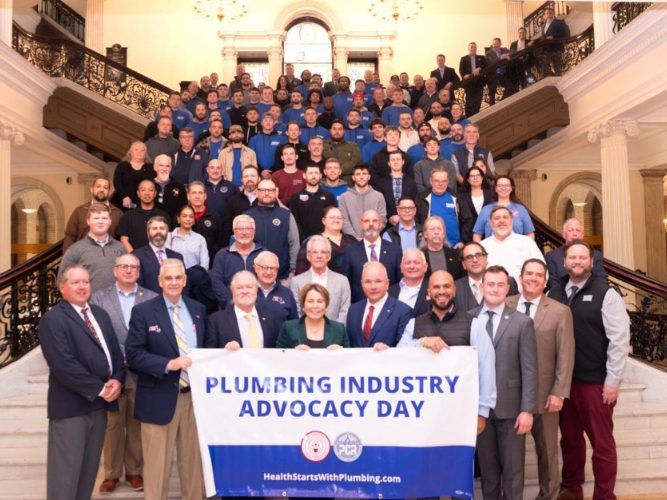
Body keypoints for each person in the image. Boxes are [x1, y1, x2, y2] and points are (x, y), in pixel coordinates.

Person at [548, 240, 630, 500]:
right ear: (564, 262)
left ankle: (604, 495)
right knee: (570, 441)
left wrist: (613, 380)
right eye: (572, 257)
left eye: (582, 257)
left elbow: (619, 340)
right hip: (564, 384)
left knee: (601, 443)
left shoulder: (607, 294)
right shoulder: (554, 292)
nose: (577, 261)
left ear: (592, 262)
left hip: (595, 382)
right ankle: (572, 488)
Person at [40, 264, 125, 500]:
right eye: (75, 282)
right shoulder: (53, 319)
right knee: (65, 478)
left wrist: (117, 380)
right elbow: (63, 365)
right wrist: (100, 389)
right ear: (62, 288)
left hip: (99, 408)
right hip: (71, 409)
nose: (82, 286)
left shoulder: (100, 314)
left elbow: (115, 354)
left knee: (87, 474)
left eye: (85, 282)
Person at [126, 259, 206, 500]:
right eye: (168, 278)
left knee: (193, 466)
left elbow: (207, 349)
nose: (173, 282)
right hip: (157, 398)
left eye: (178, 277)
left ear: (185, 280)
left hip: (193, 399)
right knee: (156, 468)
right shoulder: (143, 311)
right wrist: (167, 364)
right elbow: (133, 354)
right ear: (160, 281)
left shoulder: (198, 310)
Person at [506, 259, 575, 500]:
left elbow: (565, 355)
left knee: (547, 453)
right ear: (520, 277)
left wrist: (559, 392)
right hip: (510, 394)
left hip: (546, 395)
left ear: (545, 281)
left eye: (538, 275)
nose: (533, 278)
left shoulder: (560, 311)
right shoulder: (505, 304)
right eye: (529, 273)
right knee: (510, 455)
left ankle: (549, 495)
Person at [91, 254, 158, 494]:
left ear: (139, 272)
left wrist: (137, 355)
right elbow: (96, 333)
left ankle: (133, 471)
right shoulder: (99, 298)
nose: (128, 270)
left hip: (142, 372)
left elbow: (156, 334)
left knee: (137, 423)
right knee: (113, 425)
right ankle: (111, 474)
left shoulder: (152, 298)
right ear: (115, 270)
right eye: (123, 266)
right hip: (111, 372)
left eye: (133, 267)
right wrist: (122, 355)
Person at [474, 265, 538, 500]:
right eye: (490, 284)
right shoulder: (469, 319)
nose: (495, 289)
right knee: (488, 474)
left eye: (500, 285)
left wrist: (527, 410)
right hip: (479, 411)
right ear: (482, 287)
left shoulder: (522, 322)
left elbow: (530, 369)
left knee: (513, 473)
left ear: (508, 288)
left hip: (511, 409)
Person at [411, 270, 497, 435]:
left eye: (446, 286)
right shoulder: (413, 324)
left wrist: (482, 412)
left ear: (454, 290)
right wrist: (421, 342)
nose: (442, 291)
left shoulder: (474, 324)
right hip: (422, 413)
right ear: (428, 292)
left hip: (462, 410)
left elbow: (486, 368)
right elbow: (400, 356)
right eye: (436, 287)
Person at [205, 270, 283, 351]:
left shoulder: (271, 318)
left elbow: (279, 350)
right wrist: (224, 351)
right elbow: (209, 354)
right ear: (232, 291)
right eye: (239, 288)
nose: (245, 291)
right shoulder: (216, 321)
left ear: (256, 290)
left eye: (249, 287)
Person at [61, 203, 126, 293]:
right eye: (96, 218)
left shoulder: (120, 248)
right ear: (88, 221)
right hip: (87, 301)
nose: (100, 221)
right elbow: (62, 281)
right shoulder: (75, 250)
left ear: (110, 221)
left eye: (104, 218)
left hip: (116, 301)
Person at [346, 262, 412, 348]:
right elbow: (348, 344)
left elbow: (405, 349)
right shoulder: (353, 310)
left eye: (378, 281)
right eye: (368, 282)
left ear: (387, 283)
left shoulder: (403, 311)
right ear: (362, 284)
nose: (373, 287)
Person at [342, 209, 402, 303]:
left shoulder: (395, 250)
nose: (371, 224)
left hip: (389, 306)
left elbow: (400, 282)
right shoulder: (351, 252)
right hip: (360, 307)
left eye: (374, 221)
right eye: (366, 221)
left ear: (380, 224)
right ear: (361, 224)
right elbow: (346, 285)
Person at [246, 178, 300, 281]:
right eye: (263, 190)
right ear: (257, 192)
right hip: (253, 276)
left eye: (270, 190)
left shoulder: (286, 215)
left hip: (282, 276)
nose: (266, 193)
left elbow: (294, 244)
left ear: (276, 192)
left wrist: (293, 271)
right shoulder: (247, 216)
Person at [290, 235, 351, 323]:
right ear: (308, 256)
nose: (319, 256)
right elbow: (297, 312)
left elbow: (345, 311)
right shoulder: (296, 282)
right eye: (315, 252)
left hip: (335, 330)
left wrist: (335, 330)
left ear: (329, 256)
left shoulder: (342, 281)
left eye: (323, 252)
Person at [211, 214, 264, 309]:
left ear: (254, 231)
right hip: (230, 307)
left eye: (248, 229)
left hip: (259, 307)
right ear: (234, 231)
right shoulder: (222, 255)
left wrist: (256, 304)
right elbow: (217, 283)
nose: (244, 232)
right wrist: (232, 303)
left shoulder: (264, 254)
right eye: (240, 229)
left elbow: (268, 283)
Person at [481, 206, 545, 285]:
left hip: (522, 293)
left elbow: (542, 271)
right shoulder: (482, 246)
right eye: (497, 218)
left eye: (505, 217)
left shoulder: (527, 243)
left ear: (511, 221)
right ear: (491, 223)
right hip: (490, 292)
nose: (501, 221)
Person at [277, 283, 349, 349]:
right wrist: (294, 353)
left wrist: (341, 353)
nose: (315, 306)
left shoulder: (339, 329)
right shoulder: (288, 328)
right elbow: (279, 355)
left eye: (320, 301)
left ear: (326, 306)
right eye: (310, 301)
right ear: (303, 306)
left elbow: (348, 356)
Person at [455, 241, 519, 313]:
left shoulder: (508, 282)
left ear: (486, 258)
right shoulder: (455, 288)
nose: (475, 260)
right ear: (463, 264)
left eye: (478, 255)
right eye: (469, 257)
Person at [416, 168, 473, 248]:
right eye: (437, 181)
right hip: (430, 247)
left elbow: (468, 220)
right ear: (431, 181)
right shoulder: (421, 199)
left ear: (448, 182)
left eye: (444, 181)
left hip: (455, 246)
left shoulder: (457, 197)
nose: (440, 184)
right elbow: (417, 223)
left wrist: (463, 241)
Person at [63, 176, 123, 251]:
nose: (101, 190)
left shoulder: (118, 213)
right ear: (91, 190)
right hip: (82, 255)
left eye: (105, 188)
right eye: (98, 186)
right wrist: (68, 256)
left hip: (109, 255)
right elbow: (70, 236)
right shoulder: (79, 211)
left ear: (109, 192)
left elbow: (121, 239)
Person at [545, 217, 607, 290]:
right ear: (564, 234)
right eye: (570, 230)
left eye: (578, 230)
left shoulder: (595, 254)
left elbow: (601, 279)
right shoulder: (552, 256)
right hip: (562, 296)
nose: (575, 234)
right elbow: (552, 284)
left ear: (582, 235)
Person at [295, 206, 358, 275]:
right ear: (323, 220)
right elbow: (301, 268)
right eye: (332, 217)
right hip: (321, 280)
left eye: (339, 218)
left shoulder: (351, 240)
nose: (336, 220)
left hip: (350, 281)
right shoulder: (313, 241)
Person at [473, 175, 535, 240]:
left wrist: (528, 246)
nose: (503, 188)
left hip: (516, 246)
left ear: (511, 188)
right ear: (495, 189)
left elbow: (529, 233)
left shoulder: (521, 209)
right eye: (500, 185)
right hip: (491, 246)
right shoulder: (486, 210)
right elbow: (477, 234)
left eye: (507, 185)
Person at [133, 215, 184, 293]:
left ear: (167, 232)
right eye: (154, 228)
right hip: (149, 300)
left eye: (162, 228)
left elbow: (184, 285)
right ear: (148, 232)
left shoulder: (177, 257)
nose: (158, 231)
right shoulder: (136, 256)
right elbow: (136, 285)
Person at [117, 179, 170, 253]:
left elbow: (168, 239)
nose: (147, 193)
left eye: (150, 190)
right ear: (138, 193)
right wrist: (135, 256)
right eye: (143, 190)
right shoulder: (128, 216)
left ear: (155, 193)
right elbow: (124, 240)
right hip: (134, 257)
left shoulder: (164, 216)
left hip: (158, 257)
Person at [288, 163, 336, 241]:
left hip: (326, 240)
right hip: (304, 241)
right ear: (304, 175)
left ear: (320, 176)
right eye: (310, 173)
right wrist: (303, 239)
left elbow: (332, 219)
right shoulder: (296, 198)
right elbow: (295, 222)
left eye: (316, 173)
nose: (313, 176)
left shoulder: (329, 196)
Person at [338, 164, 387, 240]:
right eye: (358, 174)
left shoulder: (379, 196)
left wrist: (370, 235)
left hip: (373, 240)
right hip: (351, 241)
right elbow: (344, 221)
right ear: (353, 177)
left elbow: (382, 219)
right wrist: (356, 238)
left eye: (364, 174)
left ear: (369, 177)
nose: (361, 177)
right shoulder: (344, 197)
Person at [376, 150, 418, 226]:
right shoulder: (381, 183)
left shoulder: (411, 183)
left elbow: (415, 204)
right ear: (389, 163)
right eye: (393, 160)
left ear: (403, 162)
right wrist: (390, 217)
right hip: (387, 224)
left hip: (407, 222)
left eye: (398, 159)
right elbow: (379, 205)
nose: (395, 162)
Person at [253, 250, 298, 321]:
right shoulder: (247, 291)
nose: (268, 272)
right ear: (255, 268)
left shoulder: (287, 294)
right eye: (265, 267)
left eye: (272, 268)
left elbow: (293, 323)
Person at [221, 164, 259, 246]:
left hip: (262, 247)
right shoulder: (233, 201)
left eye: (252, 176)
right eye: (246, 176)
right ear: (242, 180)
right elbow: (227, 230)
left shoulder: (265, 200)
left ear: (259, 179)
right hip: (239, 247)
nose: (249, 179)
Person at [388, 248, 430, 318]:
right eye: (407, 263)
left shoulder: (434, 288)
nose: (412, 266)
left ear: (425, 267)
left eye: (416, 263)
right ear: (401, 267)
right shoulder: (389, 292)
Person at [111, 141, 154, 210]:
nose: (139, 152)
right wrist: (124, 197)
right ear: (130, 152)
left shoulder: (150, 168)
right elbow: (117, 182)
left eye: (142, 150)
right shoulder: (122, 165)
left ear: (146, 154)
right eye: (136, 149)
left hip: (142, 204)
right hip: (121, 201)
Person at [168, 205, 209, 270]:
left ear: (194, 220)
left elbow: (204, 264)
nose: (188, 219)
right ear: (178, 219)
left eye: (191, 216)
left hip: (195, 275)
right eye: (184, 216)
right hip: (173, 275)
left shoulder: (200, 239)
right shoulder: (168, 237)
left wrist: (200, 275)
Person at [458, 165, 494, 236]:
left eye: (478, 175)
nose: (475, 178)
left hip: (489, 232)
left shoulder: (491, 194)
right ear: (468, 179)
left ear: (482, 178)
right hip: (469, 233)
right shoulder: (462, 196)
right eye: (472, 176)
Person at [323, 119, 361, 184]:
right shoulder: (322, 145)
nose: (337, 131)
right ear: (330, 130)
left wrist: (338, 171)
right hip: (326, 182)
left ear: (344, 131)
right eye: (334, 129)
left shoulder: (353, 146)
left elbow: (355, 163)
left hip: (348, 183)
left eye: (340, 129)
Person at [152, 154, 188, 220]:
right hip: (151, 223)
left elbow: (183, 210)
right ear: (155, 167)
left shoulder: (179, 187)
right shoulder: (148, 186)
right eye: (161, 165)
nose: (164, 169)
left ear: (171, 168)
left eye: (167, 166)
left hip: (173, 224)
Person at [459, 42, 488, 117]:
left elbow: (486, 66)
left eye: (474, 47)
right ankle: (469, 118)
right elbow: (461, 70)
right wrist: (464, 76)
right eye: (471, 47)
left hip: (479, 84)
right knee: (469, 102)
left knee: (477, 102)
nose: (473, 49)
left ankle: (476, 117)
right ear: (468, 48)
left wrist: (480, 68)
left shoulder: (481, 58)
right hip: (469, 84)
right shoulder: (463, 59)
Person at [538, 7, 569, 77]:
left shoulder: (559, 22)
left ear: (553, 14)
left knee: (557, 68)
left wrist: (553, 36)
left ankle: (559, 81)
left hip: (556, 49)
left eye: (550, 13)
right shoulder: (543, 26)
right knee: (544, 68)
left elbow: (564, 33)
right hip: (546, 50)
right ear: (544, 15)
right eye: (546, 13)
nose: (548, 15)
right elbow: (543, 37)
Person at [485, 37, 515, 105]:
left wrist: (507, 54)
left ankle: (501, 103)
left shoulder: (504, 50)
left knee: (510, 86)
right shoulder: (488, 53)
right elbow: (492, 62)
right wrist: (501, 57)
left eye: (497, 44)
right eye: (494, 44)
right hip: (493, 76)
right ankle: (492, 108)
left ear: (500, 44)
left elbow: (513, 51)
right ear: (492, 45)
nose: (495, 45)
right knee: (492, 95)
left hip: (503, 74)